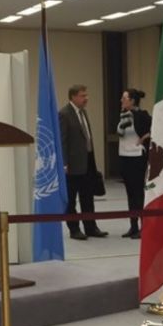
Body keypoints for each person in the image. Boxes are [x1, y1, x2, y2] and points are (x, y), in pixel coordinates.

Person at [59, 84, 107, 241]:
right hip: (72, 165)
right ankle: (74, 229)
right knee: (71, 199)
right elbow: (62, 141)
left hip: (88, 161)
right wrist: (64, 163)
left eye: (86, 95)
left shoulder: (83, 112)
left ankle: (91, 227)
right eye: (82, 95)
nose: (86, 98)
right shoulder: (64, 114)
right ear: (73, 97)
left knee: (87, 197)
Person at [117, 88, 151, 239]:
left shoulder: (142, 115)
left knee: (138, 193)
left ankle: (144, 226)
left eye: (124, 98)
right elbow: (121, 133)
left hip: (137, 157)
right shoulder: (123, 115)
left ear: (132, 101)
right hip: (124, 157)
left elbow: (154, 128)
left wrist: (144, 138)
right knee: (130, 193)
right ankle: (133, 226)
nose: (121, 100)